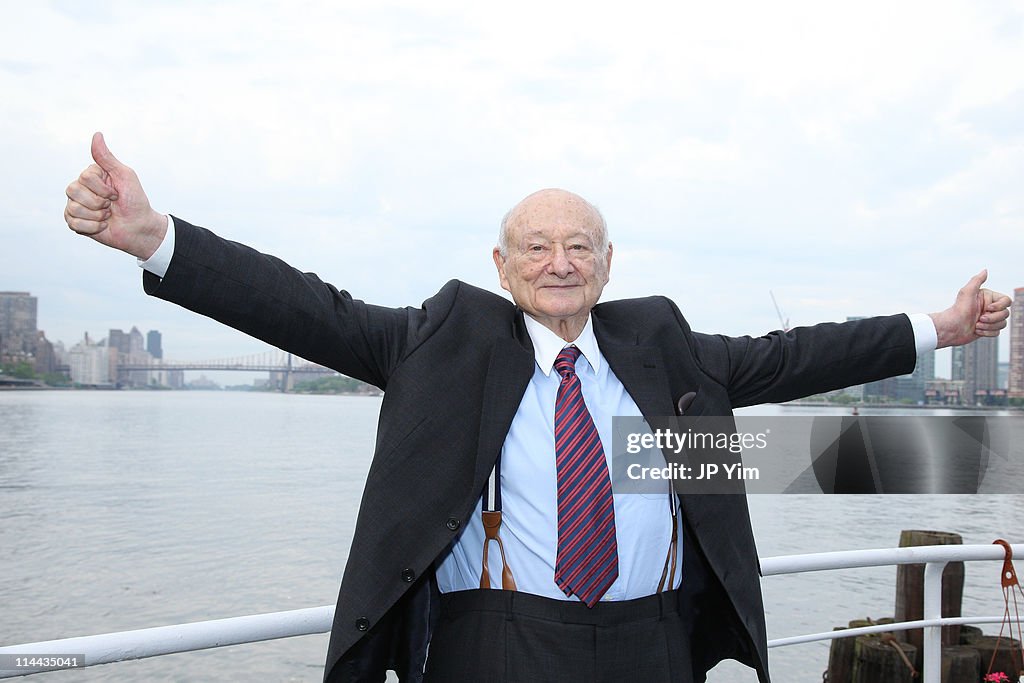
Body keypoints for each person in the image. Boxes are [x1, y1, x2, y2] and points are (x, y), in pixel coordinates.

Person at [64, 132, 1011, 683]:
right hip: (494, 644)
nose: (560, 262)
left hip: (654, 642)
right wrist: (154, 239)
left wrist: (940, 324)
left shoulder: (664, 342)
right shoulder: (440, 341)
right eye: (537, 246)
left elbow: (799, 355)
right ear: (501, 265)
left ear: (608, 264)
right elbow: (303, 304)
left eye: (580, 246)